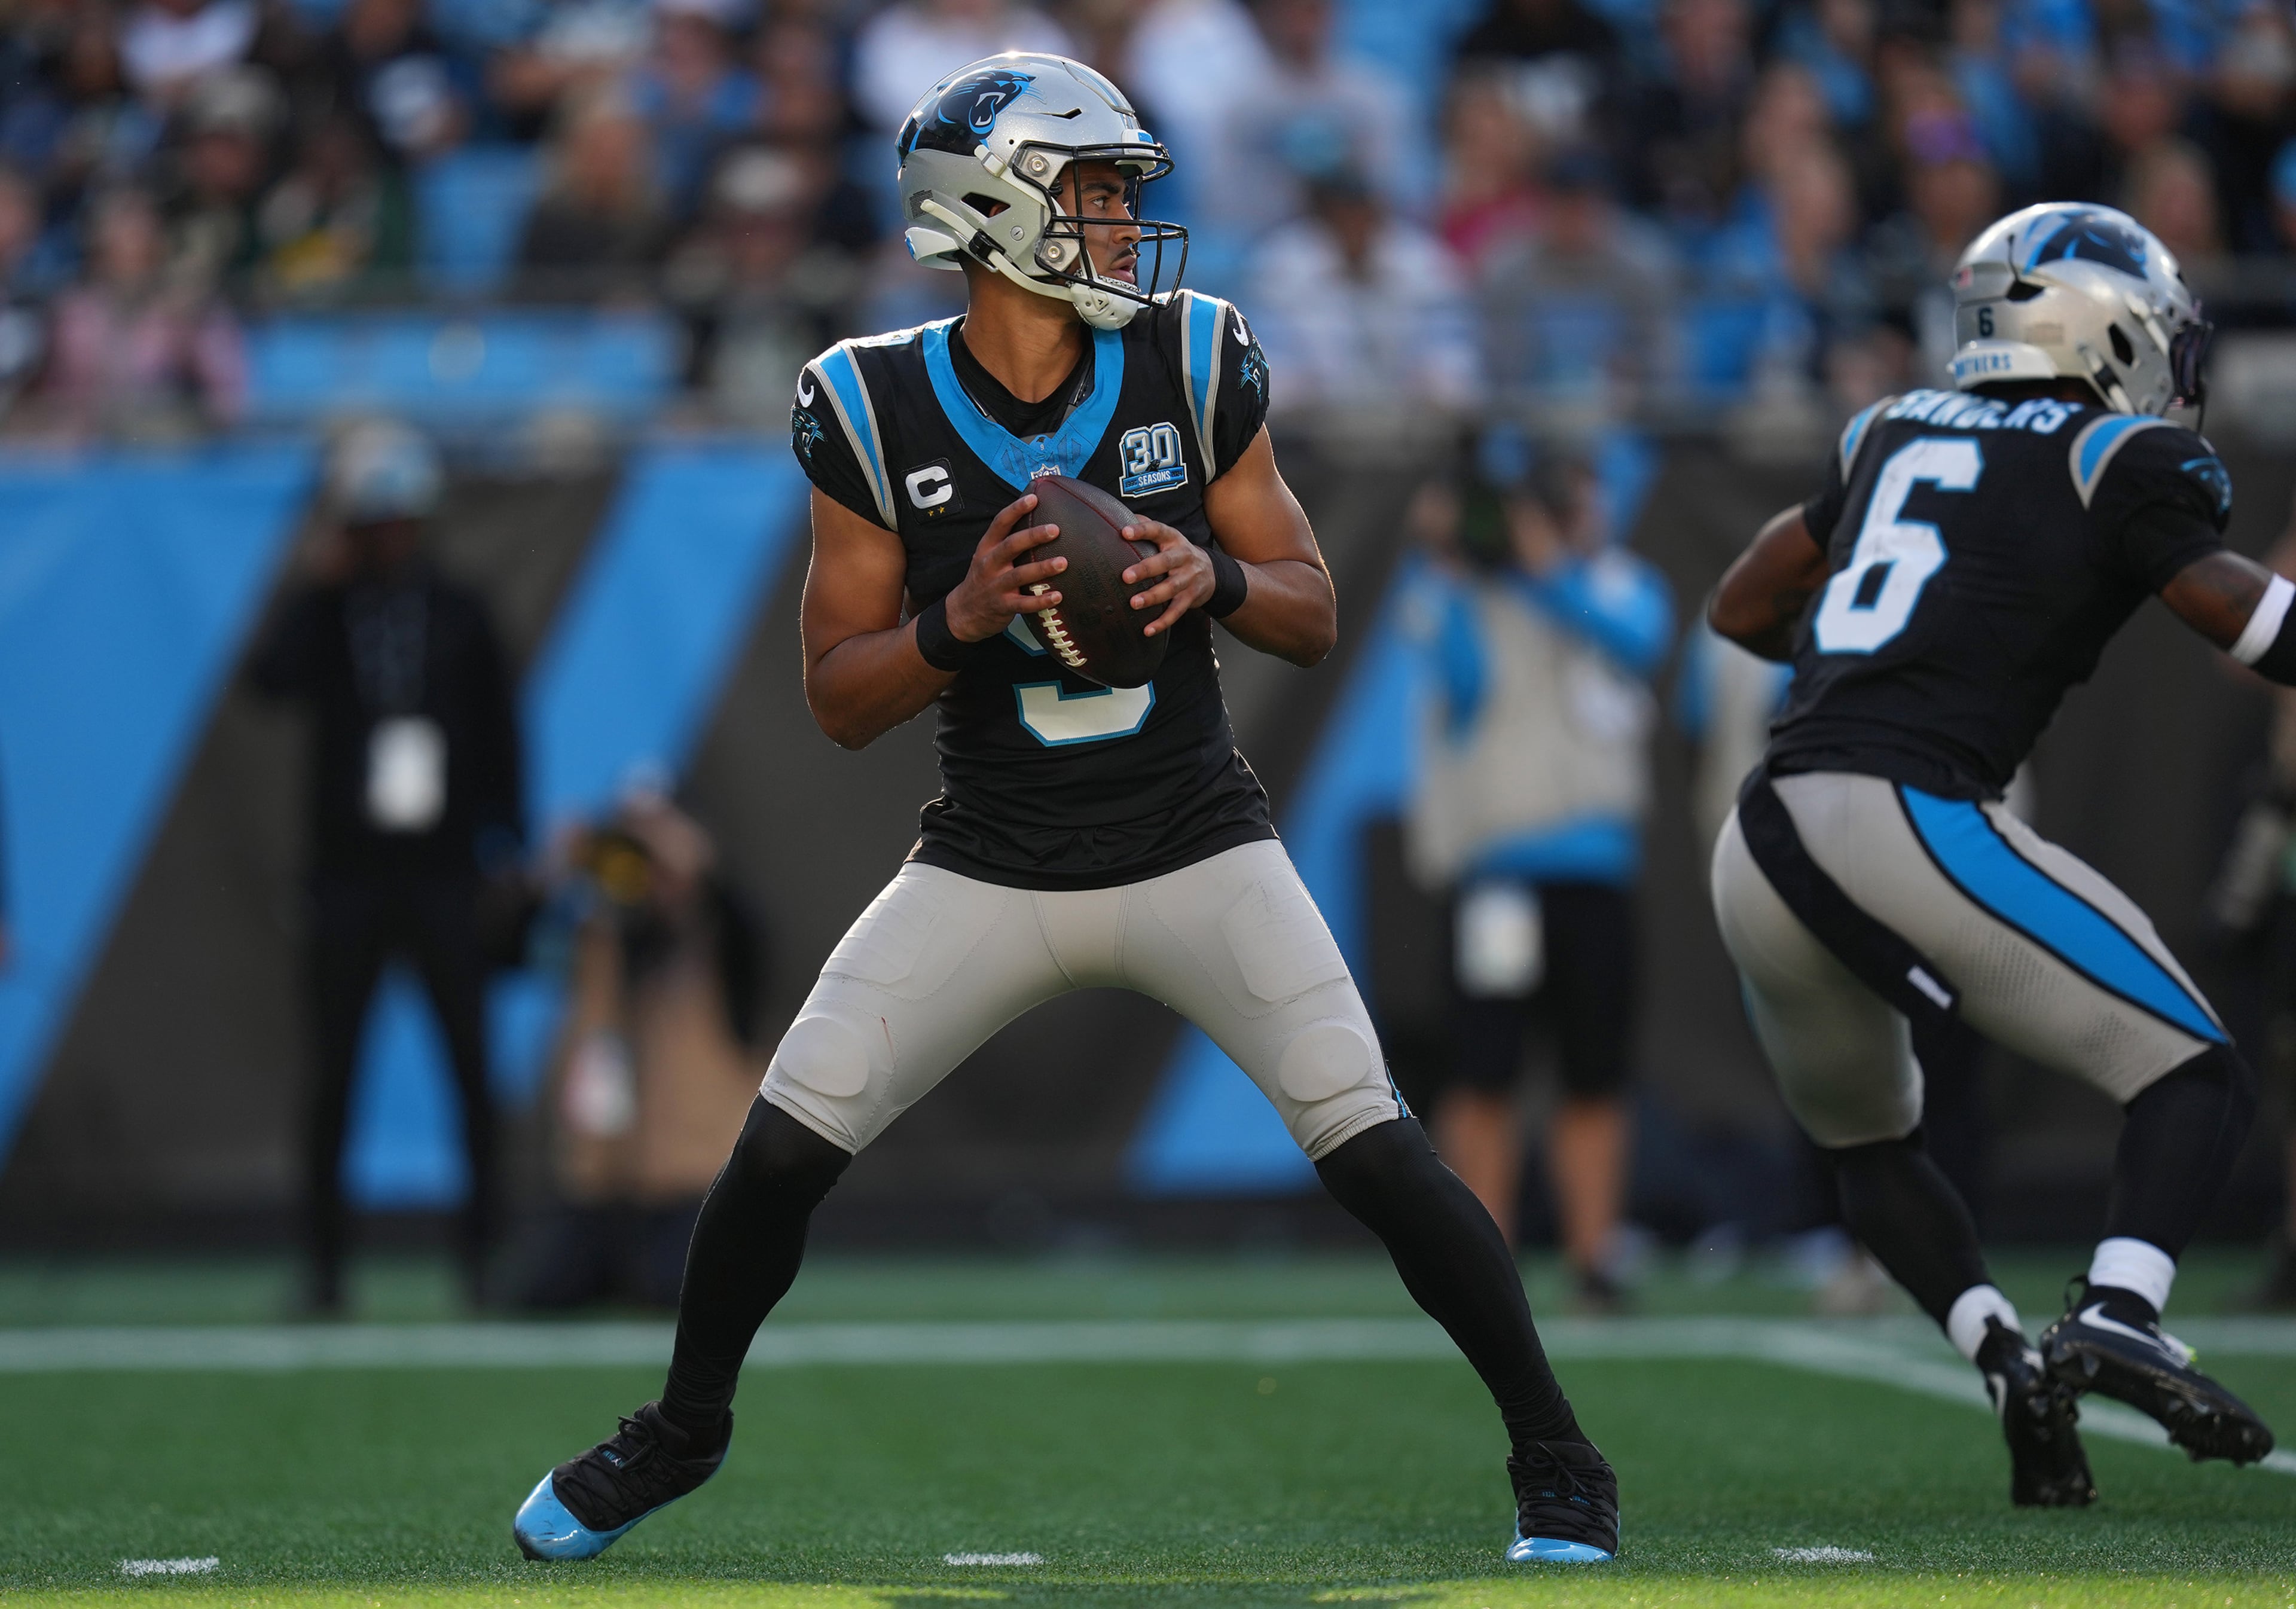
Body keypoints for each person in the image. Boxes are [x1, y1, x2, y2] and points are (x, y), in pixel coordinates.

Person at [511, 52, 1619, 1568]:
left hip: (1195, 839)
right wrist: (959, 615)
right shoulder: (870, 399)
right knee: (780, 1148)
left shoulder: (1195, 356)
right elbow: (841, 695)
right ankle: (685, 1424)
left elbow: (1310, 606)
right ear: (991, 211)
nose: (1121, 222)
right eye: (1092, 190)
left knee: (1378, 1151)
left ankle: (1560, 1456)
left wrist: (1211, 575)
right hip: (995, 855)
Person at [1706, 201, 2279, 1509]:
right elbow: (2237, 619)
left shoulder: (1889, 424)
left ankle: (2001, 1349)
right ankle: (2123, 1309)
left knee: (1872, 1144)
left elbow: (1741, 599)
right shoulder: (2118, 452)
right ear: (2108, 325)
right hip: (1900, 810)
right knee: (2193, 1070)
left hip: (1763, 830)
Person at [249, 420, 526, 1315]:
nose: (390, 538)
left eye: (401, 520)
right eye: (374, 523)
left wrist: (506, 850)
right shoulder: (329, 612)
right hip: (349, 875)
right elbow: (269, 681)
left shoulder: (459, 609)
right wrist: (314, 584)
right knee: (333, 1075)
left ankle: (481, 1262)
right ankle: (326, 1270)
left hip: (443, 872)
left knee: (470, 1073)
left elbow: (501, 735)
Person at [1402, 433, 1672, 1307]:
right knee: (1487, 1073)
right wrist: (1455, 552)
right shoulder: (1464, 595)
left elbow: (1635, 643)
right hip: (1500, 875)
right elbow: (1458, 680)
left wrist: (1543, 567)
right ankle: (1486, 1263)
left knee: (1594, 1073)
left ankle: (1596, 1256)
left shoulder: (1625, 587)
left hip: (1595, 867)